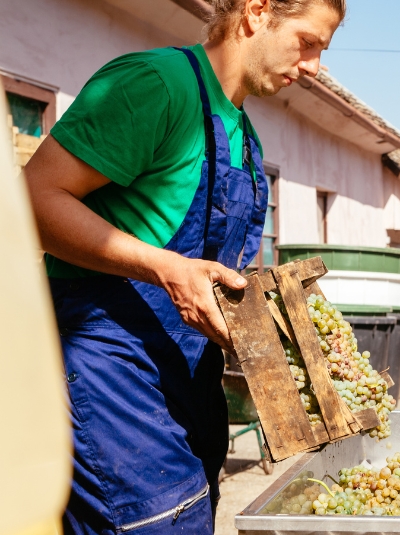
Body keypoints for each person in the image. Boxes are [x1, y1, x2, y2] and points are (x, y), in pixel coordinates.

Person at [24, 0, 345, 532]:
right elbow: (33, 201)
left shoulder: (244, 139)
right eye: (307, 42)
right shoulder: (155, 85)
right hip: (108, 374)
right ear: (257, 12)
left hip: (185, 382)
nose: (314, 66)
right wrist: (169, 270)